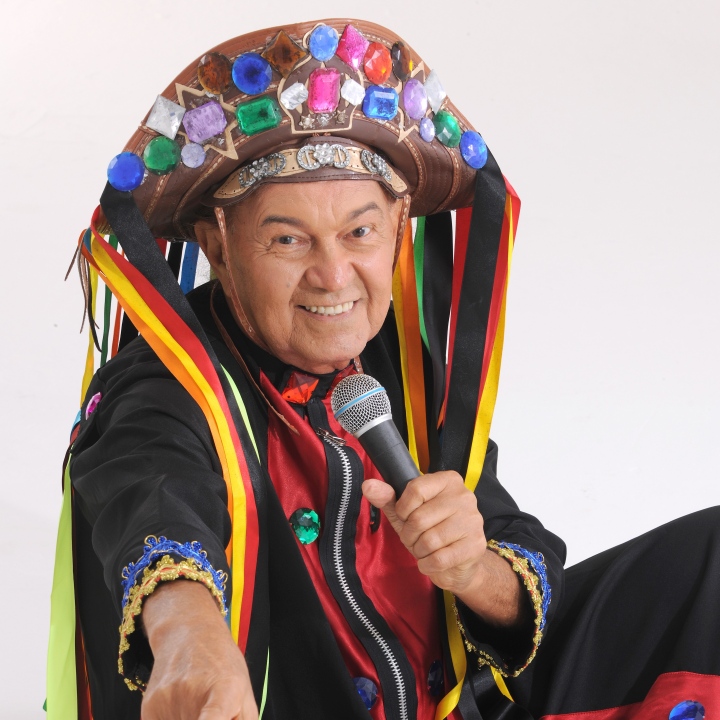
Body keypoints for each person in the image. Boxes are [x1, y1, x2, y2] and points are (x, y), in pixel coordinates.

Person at [46, 17, 720, 720]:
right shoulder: (164, 386)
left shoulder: (392, 365)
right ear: (218, 246)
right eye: (288, 239)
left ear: (399, 226)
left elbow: (508, 546)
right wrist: (190, 637)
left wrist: (474, 570)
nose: (333, 275)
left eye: (359, 232)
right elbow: (152, 500)